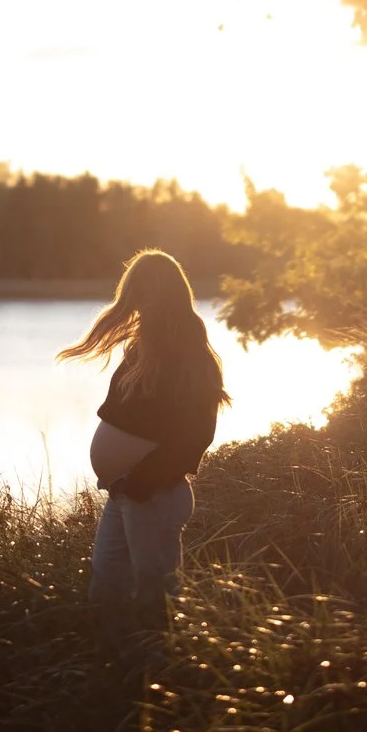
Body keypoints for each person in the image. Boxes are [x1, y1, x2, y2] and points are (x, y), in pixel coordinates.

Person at [59, 249, 231, 654]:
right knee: (106, 583)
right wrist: (126, 482)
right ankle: (110, 663)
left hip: (153, 493)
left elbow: (196, 434)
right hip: (126, 493)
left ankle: (160, 672)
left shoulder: (189, 351)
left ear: (169, 293)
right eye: (135, 293)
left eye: (148, 292)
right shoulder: (143, 350)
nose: (140, 303)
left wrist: (143, 481)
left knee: (156, 593)